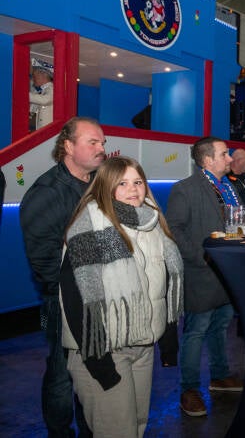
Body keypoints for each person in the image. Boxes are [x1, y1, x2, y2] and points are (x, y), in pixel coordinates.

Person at [60, 156, 183, 436]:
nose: (133, 189)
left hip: (142, 346)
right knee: (116, 431)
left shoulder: (152, 223)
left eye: (138, 182)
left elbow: (160, 288)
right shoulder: (89, 226)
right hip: (102, 349)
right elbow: (77, 298)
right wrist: (99, 363)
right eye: (122, 183)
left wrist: (166, 338)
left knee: (137, 426)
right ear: (105, 187)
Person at [20, 116, 105, 437]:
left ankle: (89, 428)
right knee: (61, 373)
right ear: (67, 146)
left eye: (103, 142)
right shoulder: (47, 192)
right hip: (65, 300)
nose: (101, 149)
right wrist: (72, 290)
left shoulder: (100, 183)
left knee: (93, 372)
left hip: (101, 298)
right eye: (92, 142)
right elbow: (43, 258)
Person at [166, 136, 243, 417]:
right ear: (208, 160)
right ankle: (189, 389)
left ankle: (219, 376)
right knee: (196, 331)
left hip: (228, 273)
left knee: (221, 325)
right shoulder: (184, 190)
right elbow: (173, 229)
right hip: (202, 273)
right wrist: (202, 257)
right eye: (224, 154)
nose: (230, 159)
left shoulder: (229, 187)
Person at [30, 58, 55, 131]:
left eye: (34, 76)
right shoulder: (38, 91)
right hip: (35, 129)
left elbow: (45, 100)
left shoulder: (52, 88)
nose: (33, 78)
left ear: (43, 75)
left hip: (47, 131)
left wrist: (24, 95)